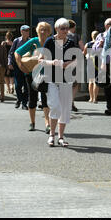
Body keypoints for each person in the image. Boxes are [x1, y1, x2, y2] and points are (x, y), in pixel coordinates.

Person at [39, 18, 77, 147]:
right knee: (55, 106)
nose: (65, 31)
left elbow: (76, 60)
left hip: (66, 80)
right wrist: (52, 62)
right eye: (62, 28)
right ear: (56, 29)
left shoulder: (71, 43)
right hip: (52, 80)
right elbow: (40, 60)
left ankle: (61, 137)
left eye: (67, 28)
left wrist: (68, 64)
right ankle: (51, 135)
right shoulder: (50, 41)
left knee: (65, 109)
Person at [15, 22, 52, 133]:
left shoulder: (51, 42)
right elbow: (17, 52)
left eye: (46, 30)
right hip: (32, 75)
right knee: (32, 98)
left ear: (49, 32)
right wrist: (21, 67)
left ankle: (47, 124)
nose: (43, 32)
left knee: (46, 100)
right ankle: (32, 123)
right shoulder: (33, 41)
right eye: (41, 29)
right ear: (37, 30)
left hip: (47, 74)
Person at [93, 18, 111, 115]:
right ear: (106, 26)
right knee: (107, 86)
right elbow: (94, 50)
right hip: (105, 63)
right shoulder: (100, 35)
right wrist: (100, 44)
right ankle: (110, 107)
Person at [9, 25, 31, 110]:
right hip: (17, 65)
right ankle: (19, 99)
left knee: (26, 86)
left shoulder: (30, 41)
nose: (27, 32)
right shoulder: (16, 41)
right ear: (21, 32)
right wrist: (10, 62)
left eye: (28, 30)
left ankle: (24, 103)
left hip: (27, 66)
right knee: (18, 85)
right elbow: (11, 53)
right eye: (25, 30)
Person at [67, 19, 84, 112]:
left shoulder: (62, 36)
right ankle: (71, 102)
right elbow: (82, 48)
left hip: (64, 62)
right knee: (75, 84)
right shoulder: (76, 36)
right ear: (73, 27)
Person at [84, 30, 99, 103]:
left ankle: (91, 97)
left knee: (91, 81)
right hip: (98, 63)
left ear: (91, 36)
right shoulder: (100, 44)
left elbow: (84, 53)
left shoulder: (88, 44)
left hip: (90, 63)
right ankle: (95, 98)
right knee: (96, 81)